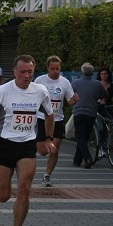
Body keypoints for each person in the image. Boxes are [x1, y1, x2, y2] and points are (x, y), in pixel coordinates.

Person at [0, 55, 54, 226]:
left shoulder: (40, 91)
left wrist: (48, 139)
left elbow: (50, 114)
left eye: (30, 71)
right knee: (5, 195)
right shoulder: (2, 91)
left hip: (27, 146)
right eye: (23, 72)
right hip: (4, 144)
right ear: (15, 72)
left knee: (24, 189)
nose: (27, 76)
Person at [34, 55, 77, 186]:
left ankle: (47, 175)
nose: (55, 71)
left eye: (57, 68)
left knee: (54, 149)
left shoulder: (65, 82)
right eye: (52, 69)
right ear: (47, 68)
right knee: (43, 151)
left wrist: (74, 100)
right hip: (42, 118)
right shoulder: (40, 80)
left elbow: (69, 101)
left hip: (58, 119)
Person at [70, 62, 105, 169]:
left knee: (80, 137)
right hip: (91, 113)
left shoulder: (75, 83)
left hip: (79, 112)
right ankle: (77, 160)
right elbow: (105, 95)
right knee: (84, 137)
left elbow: (70, 95)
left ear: (82, 72)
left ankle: (88, 158)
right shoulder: (98, 84)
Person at [96, 66, 113, 156]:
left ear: (108, 75)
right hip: (99, 109)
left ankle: (109, 146)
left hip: (109, 109)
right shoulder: (97, 85)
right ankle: (101, 147)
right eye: (102, 74)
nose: (104, 76)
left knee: (110, 128)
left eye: (105, 74)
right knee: (101, 128)